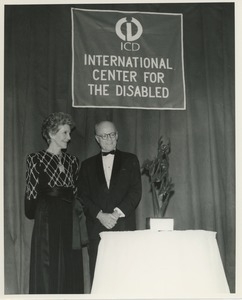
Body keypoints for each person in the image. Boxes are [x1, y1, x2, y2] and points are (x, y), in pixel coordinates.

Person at [24, 112, 87, 294]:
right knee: (47, 263)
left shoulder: (73, 161)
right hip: (47, 217)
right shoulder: (35, 159)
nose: (69, 137)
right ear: (51, 134)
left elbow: (76, 191)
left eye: (69, 133)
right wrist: (37, 212)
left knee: (70, 263)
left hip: (69, 217)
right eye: (65, 133)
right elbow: (31, 192)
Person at [78, 121, 142, 284]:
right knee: (100, 280)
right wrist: (100, 215)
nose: (109, 139)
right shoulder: (86, 166)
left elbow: (135, 192)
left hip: (124, 227)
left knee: (125, 279)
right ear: (97, 139)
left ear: (117, 135)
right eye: (104, 136)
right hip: (97, 230)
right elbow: (82, 196)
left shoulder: (130, 159)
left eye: (112, 134)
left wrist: (115, 214)